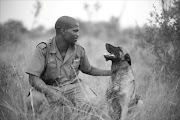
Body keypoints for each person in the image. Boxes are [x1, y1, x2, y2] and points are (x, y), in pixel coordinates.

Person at [26, 16, 112, 115]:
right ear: (63, 31)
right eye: (75, 31)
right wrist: (51, 92)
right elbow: (33, 79)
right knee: (32, 102)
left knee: (93, 103)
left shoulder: (79, 49)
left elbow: (88, 69)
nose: (78, 34)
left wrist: (111, 72)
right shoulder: (43, 49)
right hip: (48, 87)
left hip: (72, 88)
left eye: (78, 31)